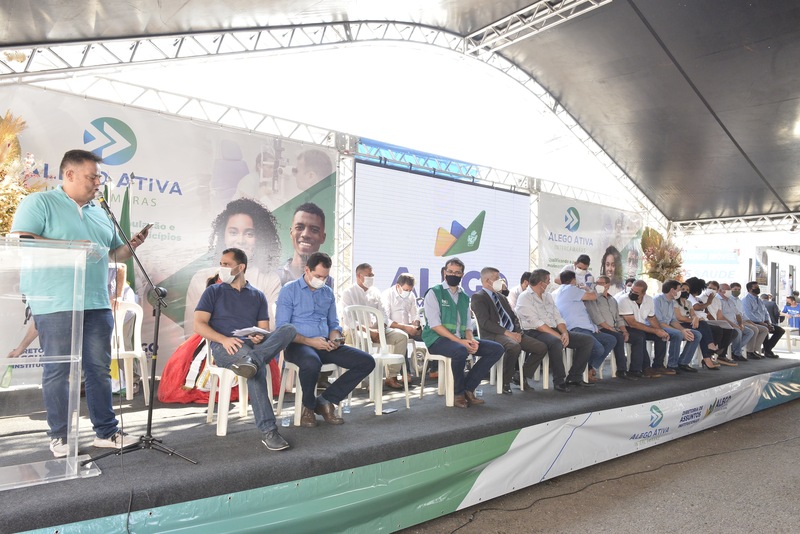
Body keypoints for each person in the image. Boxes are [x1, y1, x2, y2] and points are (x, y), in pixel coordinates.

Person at [10, 149, 150, 458]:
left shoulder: (100, 212)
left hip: (96, 301)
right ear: (69, 174)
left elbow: (112, 254)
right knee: (59, 371)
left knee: (99, 369)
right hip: (56, 301)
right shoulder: (40, 202)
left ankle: (106, 432)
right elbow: (23, 240)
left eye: (99, 177)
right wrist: (71, 246)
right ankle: (60, 437)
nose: (98, 182)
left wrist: (130, 246)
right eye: (92, 177)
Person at [194, 248, 296, 451]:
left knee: (289, 329)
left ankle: (252, 361)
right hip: (224, 347)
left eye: (226, 264)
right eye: (221, 264)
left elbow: (263, 330)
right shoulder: (213, 291)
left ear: (240, 267)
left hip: (250, 346)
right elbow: (198, 324)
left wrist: (259, 337)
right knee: (256, 370)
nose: (221, 268)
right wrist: (223, 339)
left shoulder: (258, 295)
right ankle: (269, 432)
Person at [275, 252, 375, 426]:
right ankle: (308, 407)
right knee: (311, 362)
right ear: (307, 270)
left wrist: (335, 338)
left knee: (366, 361)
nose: (321, 280)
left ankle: (326, 400)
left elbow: (333, 324)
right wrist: (310, 341)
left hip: (325, 344)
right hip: (297, 345)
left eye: (325, 277)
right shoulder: (289, 290)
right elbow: (282, 328)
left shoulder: (327, 292)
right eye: (318, 276)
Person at [184, 198, 283, 337]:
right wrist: (224, 340)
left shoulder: (270, 280)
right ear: (223, 235)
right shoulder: (201, 278)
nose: (240, 240)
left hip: (253, 346)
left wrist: (251, 339)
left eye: (249, 234)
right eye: (233, 232)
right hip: (213, 347)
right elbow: (192, 331)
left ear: (259, 238)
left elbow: (269, 329)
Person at [422, 258, 504, 408]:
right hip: (437, 340)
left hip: (459, 339)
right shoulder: (434, 293)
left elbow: (467, 326)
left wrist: (471, 340)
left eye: (457, 272)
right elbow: (435, 325)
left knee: (496, 349)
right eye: (450, 271)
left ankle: (468, 388)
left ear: (462, 275)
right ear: (445, 273)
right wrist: (461, 342)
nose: (453, 275)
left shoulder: (464, 296)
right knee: (460, 350)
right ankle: (458, 393)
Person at [470, 267, 548, 394]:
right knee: (514, 347)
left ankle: (520, 376)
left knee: (541, 347)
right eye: (497, 278)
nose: (500, 281)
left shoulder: (501, 297)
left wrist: (518, 332)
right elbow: (485, 323)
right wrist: (508, 333)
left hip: (512, 333)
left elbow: (513, 317)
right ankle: (505, 381)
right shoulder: (478, 297)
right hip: (494, 335)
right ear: (487, 280)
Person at [515, 269, 595, 391]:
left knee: (587, 340)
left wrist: (564, 332)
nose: (549, 283)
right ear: (541, 283)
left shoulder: (548, 296)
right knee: (556, 342)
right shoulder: (524, 297)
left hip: (552, 329)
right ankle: (559, 381)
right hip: (533, 332)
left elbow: (558, 317)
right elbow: (537, 324)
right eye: (548, 281)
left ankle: (574, 377)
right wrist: (559, 336)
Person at [341, 263, 408, 389]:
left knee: (402, 336)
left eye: (372, 275)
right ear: (359, 276)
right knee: (364, 338)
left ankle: (392, 376)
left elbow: (384, 315)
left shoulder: (376, 292)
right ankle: (367, 381)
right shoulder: (348, 292)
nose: (371, 278)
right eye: (369, 275)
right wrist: (370, 331)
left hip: (377, 330)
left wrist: (380, 330)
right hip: (356, 331)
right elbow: (349, 321)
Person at [554, 270, 616, 383]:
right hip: (577, 328)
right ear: (573, 280)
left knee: (611, 340)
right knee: (598, 349)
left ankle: (590, 367)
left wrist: (594, 326)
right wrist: (593, 288)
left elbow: (583, 313)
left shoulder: (564, 290)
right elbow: (593, 296)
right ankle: (579, 373)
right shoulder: (570, 289)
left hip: (588, 328)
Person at [584, 275, 639, 380]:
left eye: (601, 283)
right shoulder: (593, 298)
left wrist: (624, 331)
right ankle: (621, 370)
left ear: (608, 285)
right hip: (600, 328)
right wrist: (610, 328)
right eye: (597, 283)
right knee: (618, 337)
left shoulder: (612, 300)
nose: (598, 285)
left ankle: (636, 369)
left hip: (614, 328)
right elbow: (596, 317)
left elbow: (619, 318)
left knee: (638, 337)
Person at [615, 280, 667, 378]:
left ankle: (658, 365)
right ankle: (640, 368)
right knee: (640, 336)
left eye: (636, 292)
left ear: (643, 293)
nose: (632, 293)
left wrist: (661, 331)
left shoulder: (649, 300)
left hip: (641, 327)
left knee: (660, 336)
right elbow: (632, 323)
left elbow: (652, 318)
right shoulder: (624, 300)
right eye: (632, 290)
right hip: (626, 327)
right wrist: (656, 331)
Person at [652, 280, 702, 373]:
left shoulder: (672, 301)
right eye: (679, 290)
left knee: (696, 334)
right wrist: (681, 331)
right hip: (656, 327)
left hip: (667, 326)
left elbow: (673, 320)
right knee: (678, 334)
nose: (680, 292)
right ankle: (672, 365)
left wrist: (683, 330)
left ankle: (683, 362)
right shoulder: (657, 300)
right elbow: (659, 322)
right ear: (672, 290)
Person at [685, 277, 736, 366]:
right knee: (717, 330)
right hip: (697, 322)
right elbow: (697, 307)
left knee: (730, 330)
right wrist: (709, 302)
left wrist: (716, 322)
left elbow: (707, 313)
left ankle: (720, 354)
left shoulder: (697, 298)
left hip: (705, 320)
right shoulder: (691, 297)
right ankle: (709, 353)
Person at [673, 281, 720, 369]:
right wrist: (694, 320)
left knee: (703, 328)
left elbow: (693, 314)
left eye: (687, 290)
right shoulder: (674, 302)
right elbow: (679, 318)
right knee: (702, 327)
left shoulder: (688, 302)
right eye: (683, 289)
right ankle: (709, 351)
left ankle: (707, 356)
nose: (685, 291)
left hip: (687, 323)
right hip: (678, 324)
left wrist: (695, 318)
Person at [742, 281, 784, 358]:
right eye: (756, 287)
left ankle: (767, 349)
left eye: (758, 287)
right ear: (750, 289)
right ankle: (766, 351)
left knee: (780, 330)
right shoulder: (746, 300)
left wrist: (768, 323)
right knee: (764, 329)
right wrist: (762, 323)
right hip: (753, 322)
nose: (758, 289)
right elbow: (749, 315)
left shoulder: (759, 300)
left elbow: (765, 312)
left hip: (764, 322)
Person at [717, 283, 756, 362]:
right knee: (738, 332)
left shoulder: (730, 301)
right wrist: (734, 325)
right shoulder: (718, 300)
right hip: (725, 324)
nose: (729, 291)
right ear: (720, 290)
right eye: (728, 290)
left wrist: (740, 324)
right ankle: (736, 354)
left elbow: (738, 314)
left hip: (735, 323)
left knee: (750, 332)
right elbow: (721, 316)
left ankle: (734, 349)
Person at [730, 282, 768, 359]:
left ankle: (754, 350)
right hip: (735, 321)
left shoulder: (739, 301)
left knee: (764, 329)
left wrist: (752, 323)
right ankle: (747, 351)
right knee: (753, 330)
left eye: (739, 289)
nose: (737, 291)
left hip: (744, 321)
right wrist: (742, 324)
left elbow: (744, 315)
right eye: (735, 289)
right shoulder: (732, 300)